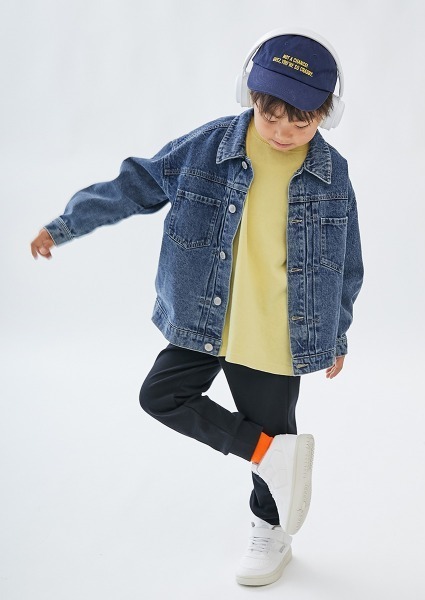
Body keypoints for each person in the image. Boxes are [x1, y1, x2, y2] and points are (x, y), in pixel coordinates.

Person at [30, 28, 364, 586]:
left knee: (276, 429)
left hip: (277, 330)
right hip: (203, 317)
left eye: (301, 121)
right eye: (271, 116)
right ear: (249, 96)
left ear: (327, 115)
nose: (283, 132)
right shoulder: (207, 148)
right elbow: (134, 184)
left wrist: (338, 333)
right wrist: (67, 224)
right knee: (162, 396)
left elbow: (347, 259)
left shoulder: (332, 174)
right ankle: (266, 453)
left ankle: (270, 529)